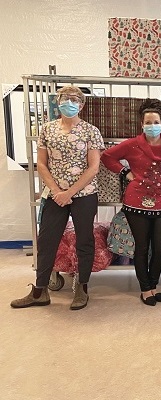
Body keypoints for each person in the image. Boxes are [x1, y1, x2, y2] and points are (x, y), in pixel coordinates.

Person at [11, 86, 104, 310]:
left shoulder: (91, 131)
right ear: (58, 102)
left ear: (81, 105)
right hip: (54, 194)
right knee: (46, 240)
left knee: (84, 241)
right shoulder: (47, 129)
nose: (69, 103)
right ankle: (40, 290)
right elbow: (41, 163)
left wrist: (69, 193)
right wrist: (56, 191)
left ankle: (81, 288)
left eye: (74, 100)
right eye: (65, 99)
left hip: (83, 194)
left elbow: (93, 167)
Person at [101, 99, 161, 306]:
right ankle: (145, 289)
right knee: (142, 247)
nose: (152, 125)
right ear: (142, 124)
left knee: (160, 247)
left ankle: (153, 285)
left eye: (156, 121)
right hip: (136, 202)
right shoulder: (132, 144)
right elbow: (107, 156)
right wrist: (125, 172)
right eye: (148, 122)